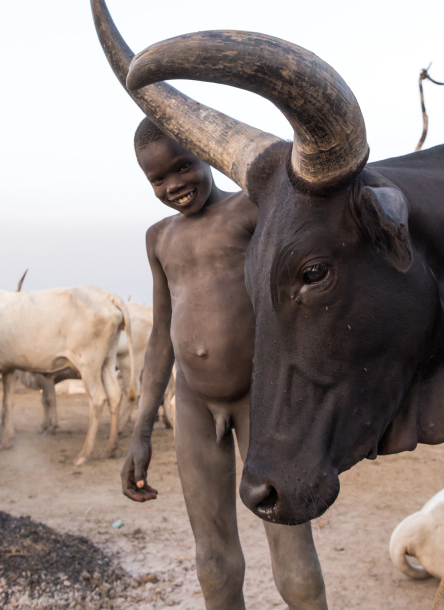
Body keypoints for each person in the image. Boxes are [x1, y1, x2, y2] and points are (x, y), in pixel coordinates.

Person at [121, 117, 327, 610]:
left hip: (262, 400)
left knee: (293, 558)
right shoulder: (159, 238)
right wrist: (142, 429)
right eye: (157, 179)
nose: (174, 185)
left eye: (184, 165)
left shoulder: (250, 210)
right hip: (194, 404)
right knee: (213, 561)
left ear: (207, 154)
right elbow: (160, 338)